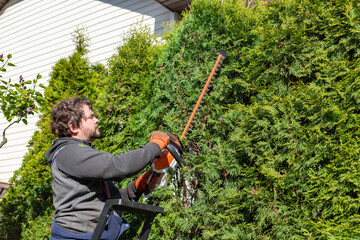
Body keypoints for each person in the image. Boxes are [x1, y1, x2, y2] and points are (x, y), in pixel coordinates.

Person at [45, 96, 173, 239]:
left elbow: (104, 199)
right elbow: (118, 166)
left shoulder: (78, 153)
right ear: (73, 127)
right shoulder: (69, 153)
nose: (97, 120)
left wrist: (137, 187)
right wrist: (154, 147)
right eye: (91, 117)